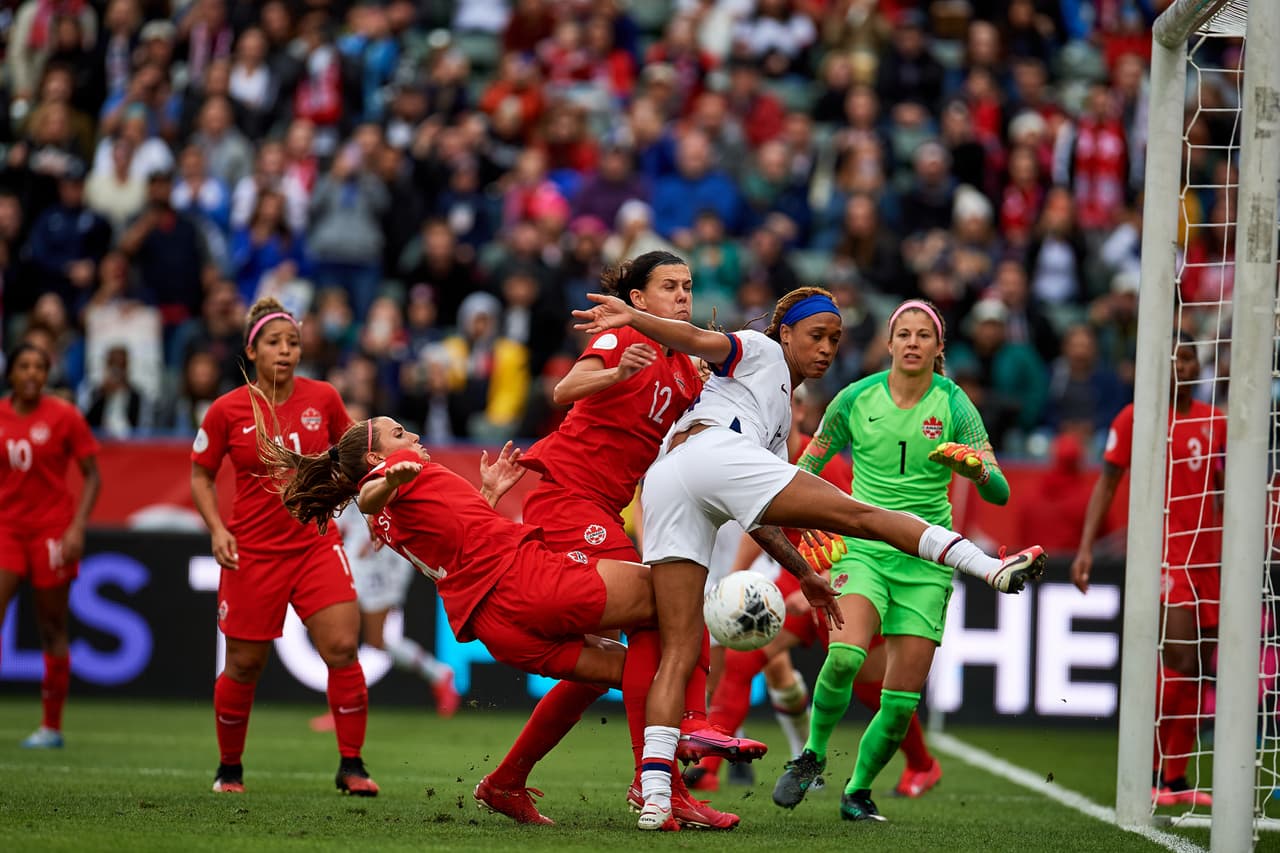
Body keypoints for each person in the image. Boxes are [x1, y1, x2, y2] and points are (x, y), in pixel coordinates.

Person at [572, 288, 1046, 830]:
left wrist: (804, 574)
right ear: (786, 332)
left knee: (678, 650)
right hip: (712, 456)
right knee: (863, 516)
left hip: (669, 481)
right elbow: (699, 339)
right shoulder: (759, 348)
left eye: (836, 340)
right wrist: (637, 318)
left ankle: (656, 796)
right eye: (816, 335)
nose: (826, 349)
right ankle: (989, 567)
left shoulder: (776, 423)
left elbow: (760, 520)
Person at [257, 415, 672, 815]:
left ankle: (507, 782)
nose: (414, 436)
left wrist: (488, 495)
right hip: (520, 583)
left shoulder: (392, 506)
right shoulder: (396, 478)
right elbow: (370, 495)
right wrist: (389, 477)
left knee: (628, 669)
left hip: (495, 621)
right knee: (668, 595)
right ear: (373, 459)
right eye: (399, 433)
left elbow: (453, 536)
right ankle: (667, 767)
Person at [477, 251, 745, 830]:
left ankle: (505, 782)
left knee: (605, 665)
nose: (682, 295)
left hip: (601, 509)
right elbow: (565, 389)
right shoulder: (625, 339)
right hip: (567, 498)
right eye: (668, 286)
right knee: (660, 609)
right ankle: (658, 781)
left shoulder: (684, 365)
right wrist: (616, 373)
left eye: (688, 286)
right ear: (639, 300)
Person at [768, 298, 1021, 822]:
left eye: (922, 335)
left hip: (928, 562)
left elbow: (999, 492)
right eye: (902, 334)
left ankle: (857, 792)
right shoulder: (855, 398)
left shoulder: (955, 404)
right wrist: (808, 522)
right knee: (844, 656)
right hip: (864, 550)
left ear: (937, 347)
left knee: (901, 701)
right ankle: (812, 755)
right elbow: (806, 467)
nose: (911, 342)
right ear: (888, 344)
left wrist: (976, 469)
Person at [686, 385, 942, 799]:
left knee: (870, 686)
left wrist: (816, 586)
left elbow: (863, 526)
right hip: (801, 573)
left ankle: (922, 764)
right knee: (743, 658)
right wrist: (736, 577)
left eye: (782, 402)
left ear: (801, 410)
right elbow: (760, 524)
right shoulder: (762, 456)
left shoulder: (828, 464)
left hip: (846, 574)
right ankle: (709, 768)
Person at [190, 297, 378, 797]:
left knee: (341, 646)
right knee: (244, 665)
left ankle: (352, 765)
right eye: (274, 342)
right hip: (251, 552)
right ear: (252, 351)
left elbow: (358, 461)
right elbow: (200, 476)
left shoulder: (323, 399)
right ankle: (229, 769)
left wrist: (378, 513)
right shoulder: (227, 409)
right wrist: (217, 529)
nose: (286, 351)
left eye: (293, 342)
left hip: (315, 544)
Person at [1071, 336, 1222, 807]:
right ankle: (1149, 765)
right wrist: (1085, 549)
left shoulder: (1217, 422)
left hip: (1211, 556)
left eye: (1189, 355)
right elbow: (1107, 483)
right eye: (1173, 355)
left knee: (1200, 670)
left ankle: (1175, 779)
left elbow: (1225, 490)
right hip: (1164, 553)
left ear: (1200, 363)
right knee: (1179, 658)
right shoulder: (1136, 417)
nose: (1183, 363)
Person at [0, 342, 100, 749]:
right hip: (6, 527)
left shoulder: (64, 416)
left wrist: (77, 528)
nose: (31, 374)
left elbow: (93, 475)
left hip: (51, 532)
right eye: (24, 366)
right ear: (11, 373)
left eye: (39, 367)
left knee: (52, 626)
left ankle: (51, 727)